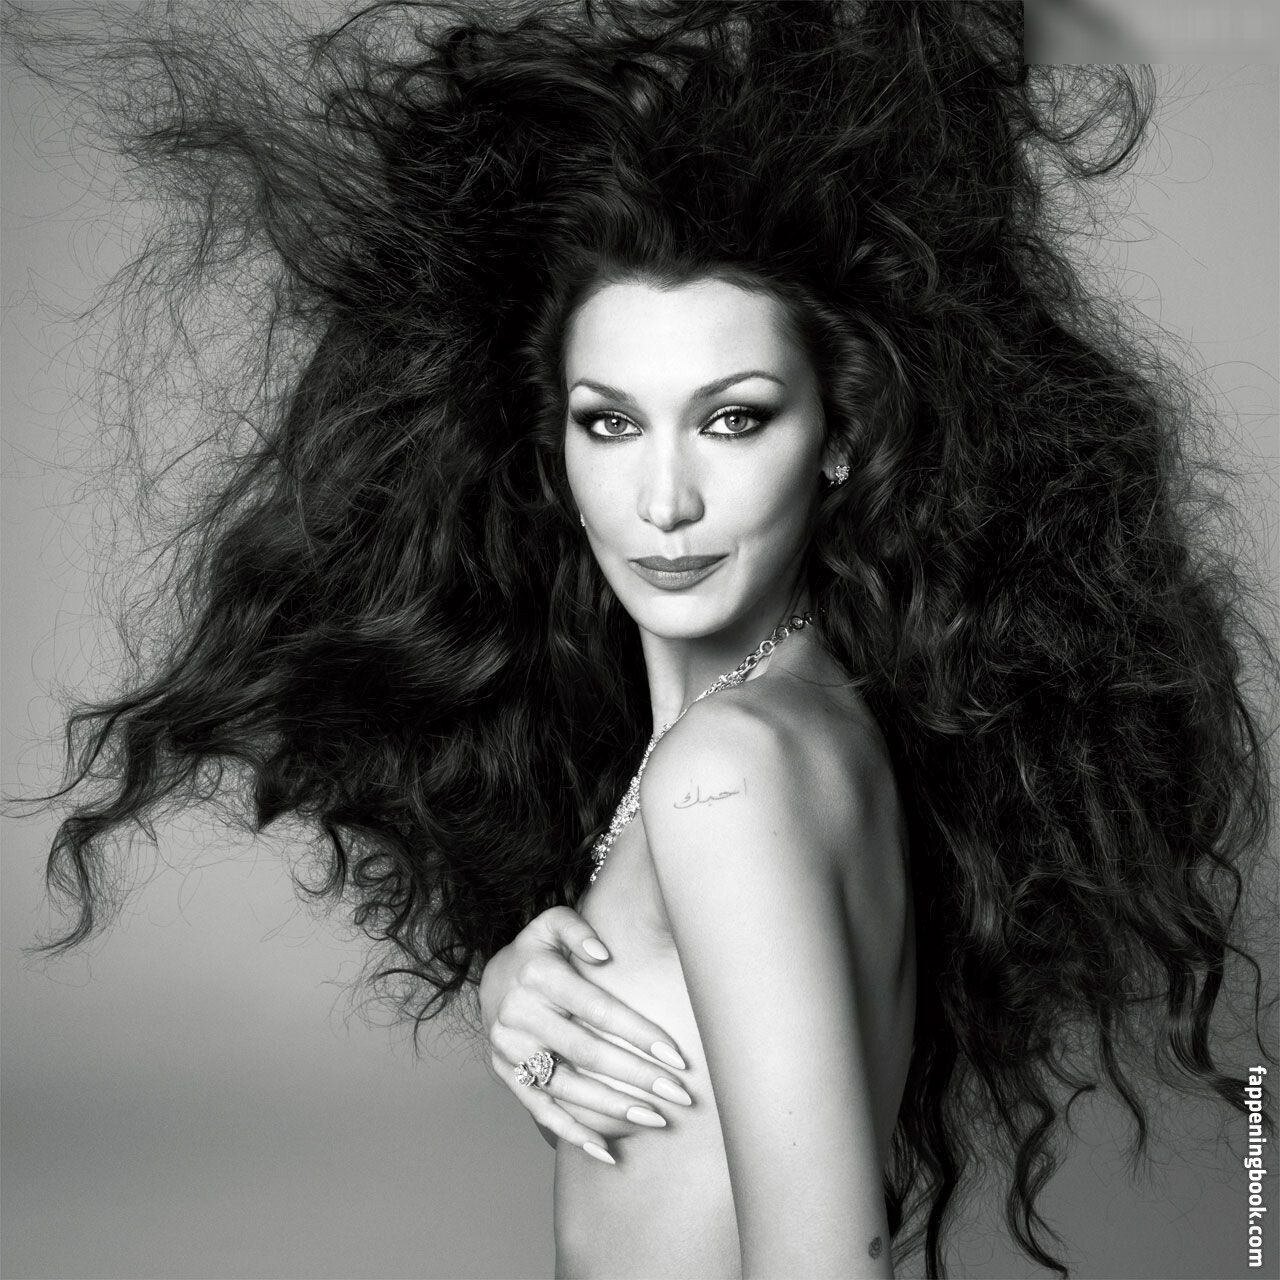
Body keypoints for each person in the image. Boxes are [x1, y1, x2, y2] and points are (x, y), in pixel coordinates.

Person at [5, 2, 1275, 1277]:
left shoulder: (721, 770)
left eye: (733, 419)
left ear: (839, 439)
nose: (663, 502)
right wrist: (523, 980)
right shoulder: (788, 722)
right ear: (552, 450)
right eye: (610, 423)